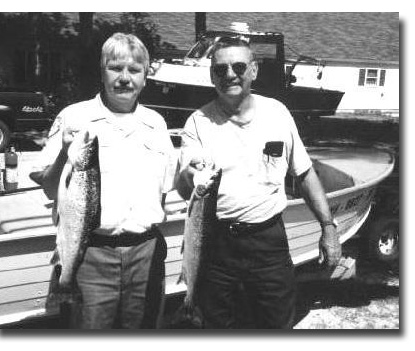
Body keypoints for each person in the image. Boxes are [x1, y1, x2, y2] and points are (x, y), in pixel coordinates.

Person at [176, 37, 342, 329]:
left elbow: (304, 174)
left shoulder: (277, 113)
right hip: (215, 243)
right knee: (218, 327)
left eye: (238, 66)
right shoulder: (197, 123)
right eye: (220, 69)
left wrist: (328, 227)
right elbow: (185, 187)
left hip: (269, 241)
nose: (229, 75)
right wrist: (190, 174)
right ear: (211, 74)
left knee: (275, 323)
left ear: (253, 70)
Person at [34, 33, 176, 329]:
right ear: (102, 72)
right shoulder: (74, 117)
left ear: (145, 77)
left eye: (134, 70)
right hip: (89, 255)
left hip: (145, 253)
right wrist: (63, 151)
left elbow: (161, 194)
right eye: (116, 68)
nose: (125, 78)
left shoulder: (156, 124)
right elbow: (49, 187)